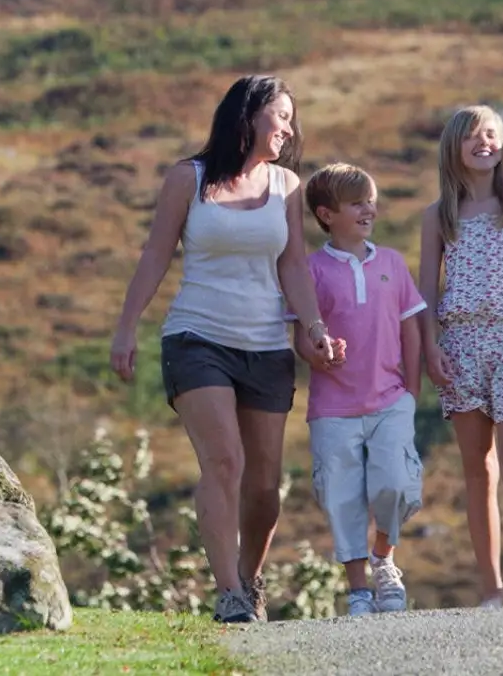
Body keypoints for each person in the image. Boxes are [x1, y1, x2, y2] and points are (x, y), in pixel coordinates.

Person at [111, 74, 345, 624]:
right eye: (280, 116)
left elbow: (292, 265)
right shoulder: (188, 179)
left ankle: (250, 576)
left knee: (264, 486)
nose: (289, 128)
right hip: (197, 338)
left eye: (292, 119)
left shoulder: (287, 186)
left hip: (265, 346)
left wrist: (312, 327)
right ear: (248, 115)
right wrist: (126, 327)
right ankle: (229, 594)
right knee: (224, 461)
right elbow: (155, 256)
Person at [421, 106, 503, 608]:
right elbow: (425, 291)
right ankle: (491, 587)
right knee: (478, 467)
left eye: (493, 135)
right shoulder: (437, 216)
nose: (486, 143)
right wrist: (431, 347)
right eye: (474, 136)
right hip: (460, 346)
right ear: (454, 147)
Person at [296, 162, 429, 617]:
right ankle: (358, 590)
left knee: (395, 484)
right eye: (357, 203)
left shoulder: (392, 262)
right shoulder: (310, 270)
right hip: (332, 408)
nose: (368, 209)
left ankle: (384, 558)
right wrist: (318, 354)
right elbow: (300, 336)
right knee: (342, 494)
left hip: (391, 400)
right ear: (326, 214)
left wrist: (411, 391)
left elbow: (411, 329)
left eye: (370, 200)